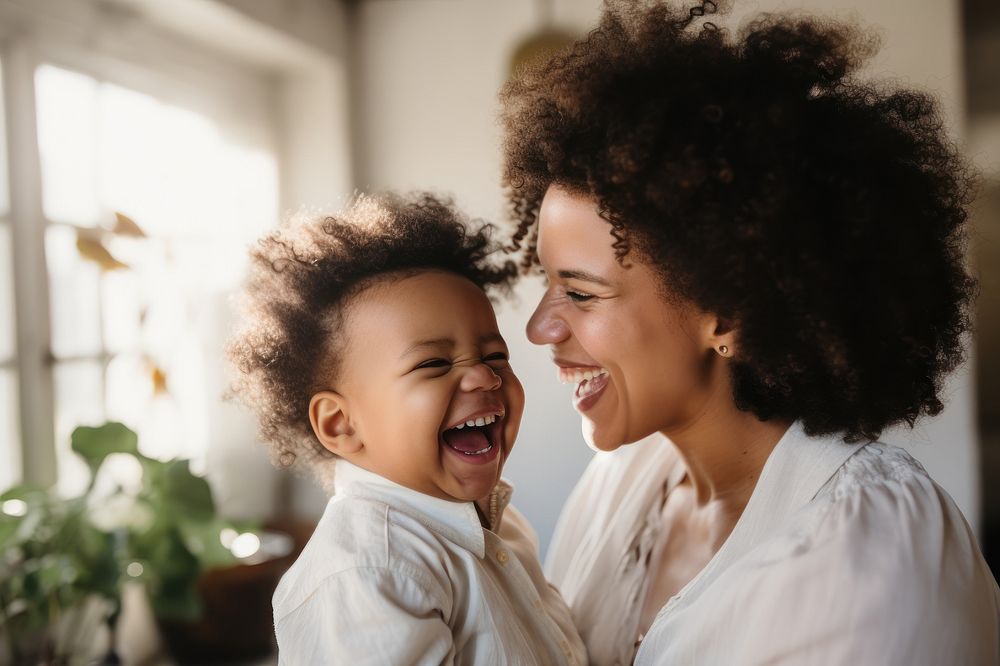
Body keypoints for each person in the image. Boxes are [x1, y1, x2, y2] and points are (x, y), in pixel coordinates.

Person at [500, 1, 1000, 664]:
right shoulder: (620, 486)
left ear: (727, 314)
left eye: (581, 292)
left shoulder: (872, 550)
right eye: (545, 280)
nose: (539, 328)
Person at [227, 193, 586, 665]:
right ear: (341, 425)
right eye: (435, 363)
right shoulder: (368, 570)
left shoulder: (500, 526)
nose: (484, 376)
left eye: (494, 355)